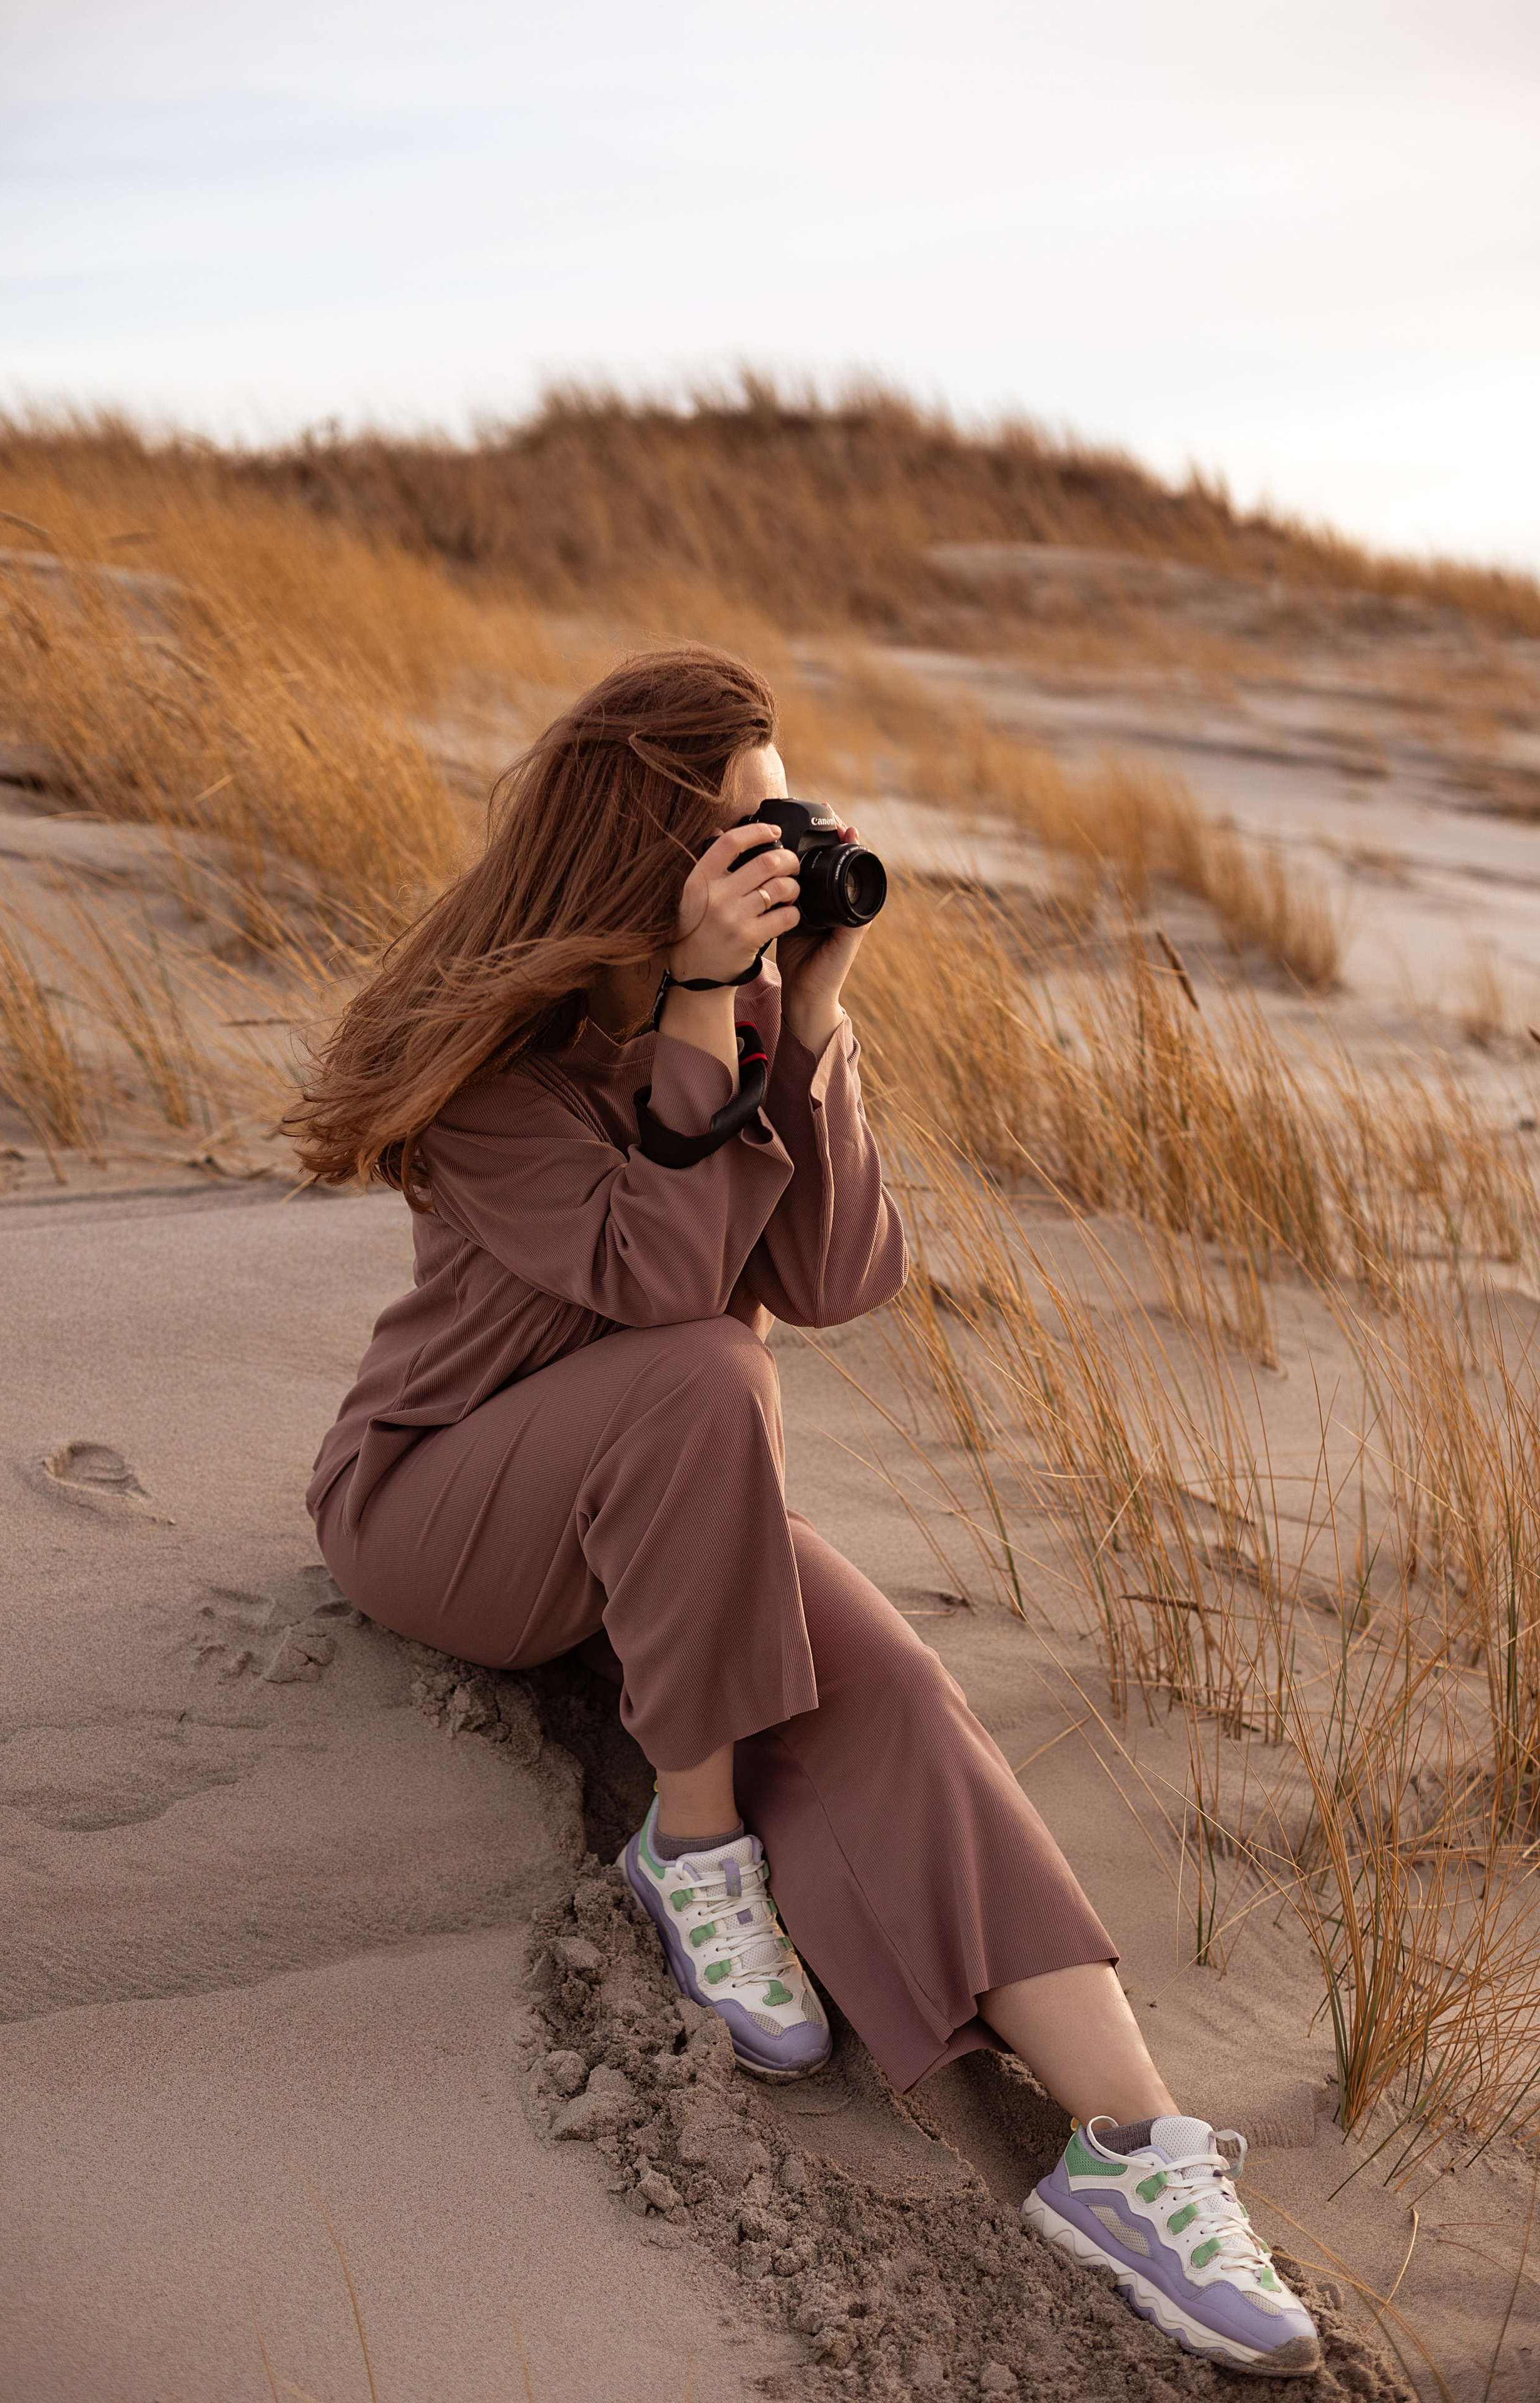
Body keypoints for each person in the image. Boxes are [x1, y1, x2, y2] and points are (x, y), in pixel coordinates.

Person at [290, 646, 1318, 2377]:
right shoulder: (480, 1054)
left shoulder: (759, 1016)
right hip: (443, 1510)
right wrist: (703, 1013)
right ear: (645, 849)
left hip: (661, 1514)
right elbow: (662, 1287)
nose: (778, 853)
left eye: (787, 820)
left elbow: (838, 1275)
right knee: (704, 1373)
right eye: (746, 829)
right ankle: (697, 1849)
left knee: (900, 1700)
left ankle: (1136, 2154)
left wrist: (811, 1017)